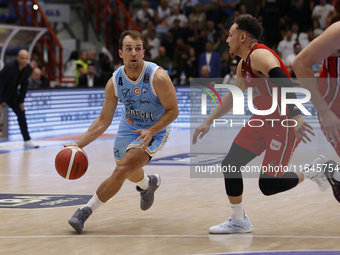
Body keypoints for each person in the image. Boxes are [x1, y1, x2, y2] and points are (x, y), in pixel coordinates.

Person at [192, 16, 327, 234]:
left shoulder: (260, 54)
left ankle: (314, 170)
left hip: (282, 123)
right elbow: (234, 95)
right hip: (261, 120)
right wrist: (208, 121)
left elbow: (282, 78)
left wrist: (296, 116)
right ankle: (239, 220)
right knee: (230, 164)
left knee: (268, 186)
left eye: (230, 35)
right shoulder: (243, 63)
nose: (227, 39)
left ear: (242, 37)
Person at [67, 30, 179, 234]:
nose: (133, 53)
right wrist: (78, 145)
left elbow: (173, 111)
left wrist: (152, 130)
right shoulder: (114, 81)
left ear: (144, 52)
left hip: (155, 129)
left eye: (137, 49)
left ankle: (85, 211)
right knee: (127, 170)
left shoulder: (158, 77)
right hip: (128, 126)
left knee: (122, 169)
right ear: (120, 53)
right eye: (129, 49)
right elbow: (103, 120)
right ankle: (148, 184)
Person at [293, 21, 340, 203]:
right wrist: (325, 112)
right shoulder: (338, 31)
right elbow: (300, 63)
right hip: (334, 111)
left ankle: (331, 171)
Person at [0, 49, 39, 148]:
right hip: (1, 91)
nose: (24, 60)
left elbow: (24, 85)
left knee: (21, 113)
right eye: (22, 58)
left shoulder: (28, 69)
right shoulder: (9, 67)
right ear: (17, 58)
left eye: (26, 58)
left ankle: (27, 140)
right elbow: (1, 84)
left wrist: (21, 101)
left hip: (12, 94)